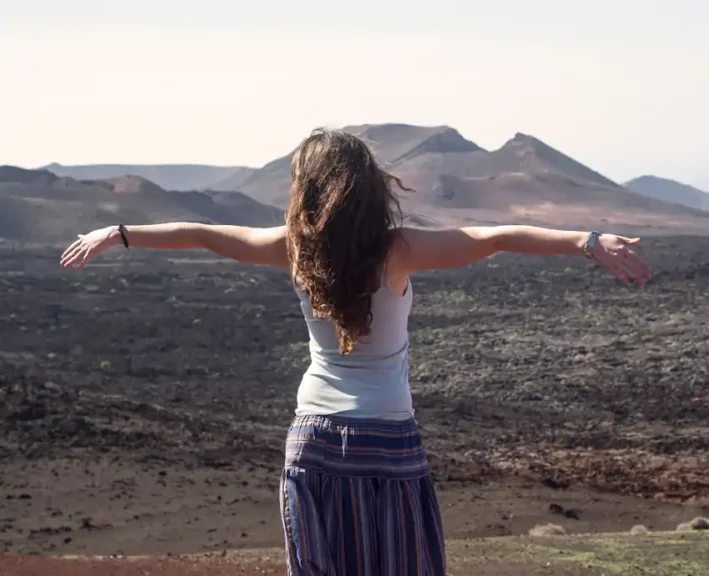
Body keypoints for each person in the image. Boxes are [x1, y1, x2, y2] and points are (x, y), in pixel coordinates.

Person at [60, 127, 653, 576]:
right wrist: (588, 240)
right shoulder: (400, 249)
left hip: (313, 439)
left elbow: (205, 234)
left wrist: (119, 233)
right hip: (386, 441)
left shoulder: (292, 249)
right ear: (367, 188)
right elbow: (494, 236)